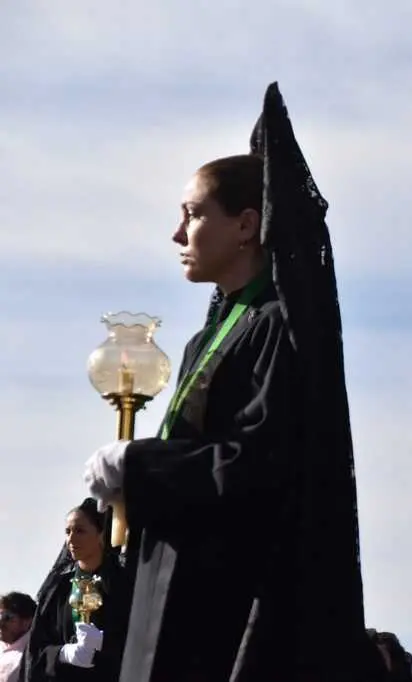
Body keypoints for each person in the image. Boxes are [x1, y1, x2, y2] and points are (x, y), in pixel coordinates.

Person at [81, 83, 384, 682]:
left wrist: (139, 464)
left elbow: (257, 464)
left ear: (246, 225)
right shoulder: (211, 336)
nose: (178, 234)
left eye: (193, 215)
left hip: (226, 604)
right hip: (172, 583)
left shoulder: (277, 328)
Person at [21, 499, 129, 682]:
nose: (71, 539)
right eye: (68, 531)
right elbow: (35, 652)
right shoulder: (58, 589)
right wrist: (63, 653)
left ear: (101, 534)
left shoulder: (123, 584)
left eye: (80, 531)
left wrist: (105, 644)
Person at [0, 592, 35, 682]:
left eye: (7, 617)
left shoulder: (30, 658)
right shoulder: (4, 646)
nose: (1, 623)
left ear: (26, 622)